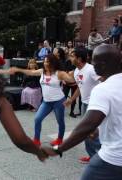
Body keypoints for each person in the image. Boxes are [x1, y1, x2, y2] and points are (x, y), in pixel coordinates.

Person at [42, 44, 122, 180]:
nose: (92, 63)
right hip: (94, 107)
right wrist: (72, 100)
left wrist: (58, 149)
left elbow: (86, 127)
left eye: (94, 60)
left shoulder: (103, 88)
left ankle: (94, 154)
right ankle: (93, 154)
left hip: (114, 158)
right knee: (92, 135)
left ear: (103, 64)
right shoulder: (81, 73)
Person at [0, 54, 75, 147]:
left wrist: (73, 74)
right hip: (46, 102)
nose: (45, 63)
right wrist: (18, 69)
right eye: (45, 61)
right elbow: (30, 72)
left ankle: (60, 139)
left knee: (60, 121)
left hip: (58, 102)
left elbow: (72, 80)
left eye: (48, 61)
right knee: (37, 119)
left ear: (53, 63)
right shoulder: (42, 71)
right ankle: (36, 140)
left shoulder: (59, 73)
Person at [63, 47, 102, 164]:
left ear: (79, 59)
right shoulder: (76, 71)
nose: (70, 57)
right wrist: (71, 99)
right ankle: (94, 156)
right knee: (87, 132)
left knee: (88, 131)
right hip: (85, 104)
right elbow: (80, 88)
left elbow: (104, 81)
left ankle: (101, 157)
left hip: (95, 104)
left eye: (72, 56)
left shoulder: (91, 69)